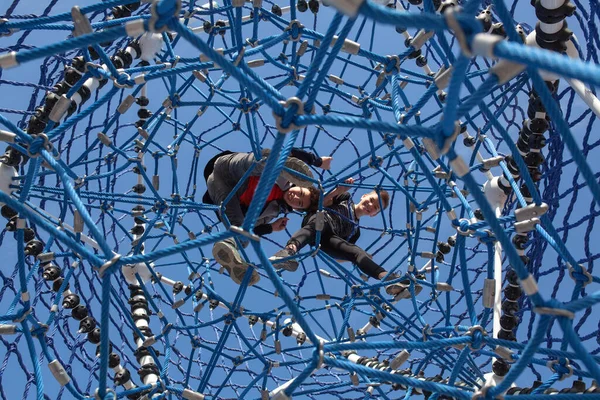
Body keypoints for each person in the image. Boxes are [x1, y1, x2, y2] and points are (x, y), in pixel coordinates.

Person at [270, 178, 422, 297]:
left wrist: (361, 257)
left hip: (328, 241)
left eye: (375, 207)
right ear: (364, 196)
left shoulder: (355, 231)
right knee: (318, 223)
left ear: (373, 214)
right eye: (371, 200)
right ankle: (288, 252)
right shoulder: (346, 198)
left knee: (356, 252)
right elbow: (322, 202)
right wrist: (339, 189)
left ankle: (391, 281)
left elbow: (341, 255)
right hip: (321, 219)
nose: (370, 205)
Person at [203, 148, 332, 286]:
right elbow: (291, 151)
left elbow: (252, 229)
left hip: (222, 192)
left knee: (243, 233)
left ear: (297, 209)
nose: (295, 197)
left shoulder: (272, 212)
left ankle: (228, 248)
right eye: (299, 192)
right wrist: (317, 161)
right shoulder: (287, 179)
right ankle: (271, 161)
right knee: (255, 164)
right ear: (299, 185)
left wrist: (270, 227)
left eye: (299, 203)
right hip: (228, 169)